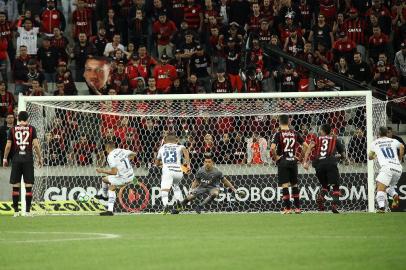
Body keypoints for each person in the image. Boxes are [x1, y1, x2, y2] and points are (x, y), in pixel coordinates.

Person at [3, 111, 42, 217]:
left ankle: (16, 212)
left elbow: (8, 146)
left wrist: (5, 158)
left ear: (17, 118)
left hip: (16, 160)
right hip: (28, 160)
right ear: (27, 118)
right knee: (28, 186)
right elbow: (36, 145)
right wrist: (39, 158)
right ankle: (28, 212)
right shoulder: (31, 129)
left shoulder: (12, 129)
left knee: (15, 186)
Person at [303, 124, 346, 213]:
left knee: (325, 186)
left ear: (322, 131)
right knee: (335, 186)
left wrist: (305, 162)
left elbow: (308, 150)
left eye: (320, 129)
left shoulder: (316, 139)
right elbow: (343, 155)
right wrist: (339, 157)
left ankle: (320, 200)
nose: (319, 131)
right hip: (330, 163)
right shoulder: (335, 140)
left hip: (318, 165)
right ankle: (334, 206)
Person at [270, 114, 308, 214]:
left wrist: (276, 157)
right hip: (293, 161)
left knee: (285, 185)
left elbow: (272, 148)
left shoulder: (278, 134)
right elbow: (306, 146)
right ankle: (298, 208)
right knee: (294, 184)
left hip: (283, 161)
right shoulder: (295, 133)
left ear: (279, 122)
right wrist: (299, 158)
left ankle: (287, 209)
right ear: (289, 122)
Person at [95, 142, 136, 216]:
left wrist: (102, 170)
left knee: (110, 186)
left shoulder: (110, 156)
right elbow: (134, 154)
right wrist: (126, 160)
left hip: (123, 178)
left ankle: (109, 209)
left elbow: (114, 172)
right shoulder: (121, 150)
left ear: (107, 148)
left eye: (106, 149)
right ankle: (104, 197)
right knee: (105, 180)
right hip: (131, 176)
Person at [369, 127, 404, 212]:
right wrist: (400, 158)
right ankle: (395, 195)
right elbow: (402, 146)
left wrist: (376, 154)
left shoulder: (375, 143)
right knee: (388, 187)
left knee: (379, 187)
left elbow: (370, 157)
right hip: (398, 168)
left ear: (378, 133)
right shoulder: (393, 140)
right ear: (386, 133)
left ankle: (381, 208)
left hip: (387, 167)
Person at [155, 132, 190, 214]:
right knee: (176, 186)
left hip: (168, 171)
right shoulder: (179, 146)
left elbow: (156, 163)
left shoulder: (162, 148)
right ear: (176, 140)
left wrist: (163, 164)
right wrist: (188, 165)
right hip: (178, 171)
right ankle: (178, 201)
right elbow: (185, 151)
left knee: (165, 189)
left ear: (165, 140)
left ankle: (165, 205)